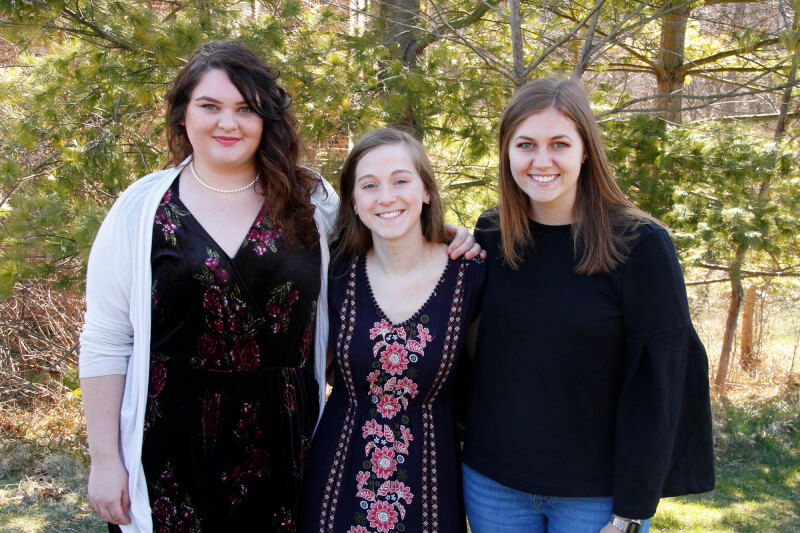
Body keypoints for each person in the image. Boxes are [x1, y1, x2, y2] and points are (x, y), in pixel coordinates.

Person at [79, 42, 479, 532]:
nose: (228, 123)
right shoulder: (142, 210)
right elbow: (105, 340)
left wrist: (446, 236)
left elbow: (380, 234)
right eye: (210, 106)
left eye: (245, 108)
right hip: (170, 443)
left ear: (266, 117)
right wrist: (105, 459)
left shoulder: (311, 201)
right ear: (184, 114)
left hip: (288, 445)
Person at [461, 77, 715, 533]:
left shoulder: (640, 246)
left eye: (559, 143)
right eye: (525, 144)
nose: (542, 161)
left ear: (585, 149)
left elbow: (660, 385)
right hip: (492, 485)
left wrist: (632, 510)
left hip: (594, 497)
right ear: (506, 152)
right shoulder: (491, 235)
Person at [300, 128, 485, 533]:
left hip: (431, 485)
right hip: (337, 480)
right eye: (369, 185)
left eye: (401, 180)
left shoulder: (470, 275)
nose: (386, 197)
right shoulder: (334, 275)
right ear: (353, 200)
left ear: (426, 191)